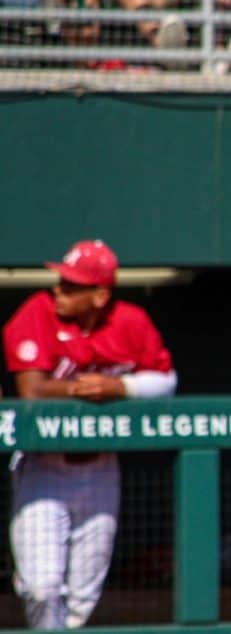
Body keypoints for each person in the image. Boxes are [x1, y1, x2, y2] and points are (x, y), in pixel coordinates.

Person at [2, 239, 177, 630]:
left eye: (71, 285)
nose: (58, 290)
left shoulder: (129, 320)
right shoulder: (39, 311)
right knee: (42, 588)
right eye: (60, 280)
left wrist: (122, 388)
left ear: (100, 294)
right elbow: (31, 391)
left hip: (101, 467)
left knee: (82, 599)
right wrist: (91, 389)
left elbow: (167, 380)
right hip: (44, 468)